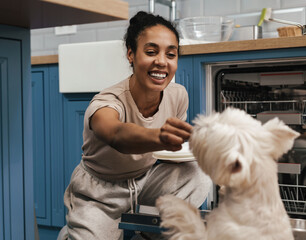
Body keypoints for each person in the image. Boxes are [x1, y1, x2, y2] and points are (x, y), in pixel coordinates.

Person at [63, 11, 211, 240]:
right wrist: (158, 136)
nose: (162, 61)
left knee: (198, 174)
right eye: (151, 52)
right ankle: (76, 229)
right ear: (131, 55)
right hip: (101, 191)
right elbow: (116, 133)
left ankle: (149, 234)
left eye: (171, 54)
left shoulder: (178, 95)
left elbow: (178, 153)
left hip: (146, 180)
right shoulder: (107, 101)